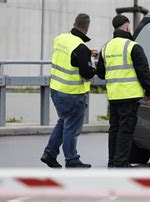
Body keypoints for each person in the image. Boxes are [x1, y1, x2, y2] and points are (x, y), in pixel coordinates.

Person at [97, 15, 150, 168]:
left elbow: (100, 73)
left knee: (114, 129)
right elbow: (143, 71)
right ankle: (121, 163)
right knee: (126, 130)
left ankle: (112, 161)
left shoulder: (106, 47)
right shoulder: (133, 46)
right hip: (130, 95)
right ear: (127, 27)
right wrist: (149, 91)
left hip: (114, 95)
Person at [41, 13, 96, 168]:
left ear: (74, 24)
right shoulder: (81, 48)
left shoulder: (60, 39)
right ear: (87, 28)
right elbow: (86, 72)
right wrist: (95, 69)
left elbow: (71, 56)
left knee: (63, 122)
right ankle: (72, 160)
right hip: (73, 93)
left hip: (56, 90)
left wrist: (86, 53)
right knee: (72, 128)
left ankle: (50, 153)